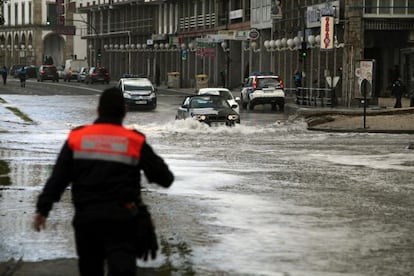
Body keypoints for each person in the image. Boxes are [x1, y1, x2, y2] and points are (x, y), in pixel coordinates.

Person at [33, 87, 174, 276]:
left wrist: (43, 209)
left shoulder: (78, 138)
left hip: (87, 219)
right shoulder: (134, 141)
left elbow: (58, 178)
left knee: (90, 269)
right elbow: (165, 179)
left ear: (98, 111)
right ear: (124, 112)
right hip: (122, 220)